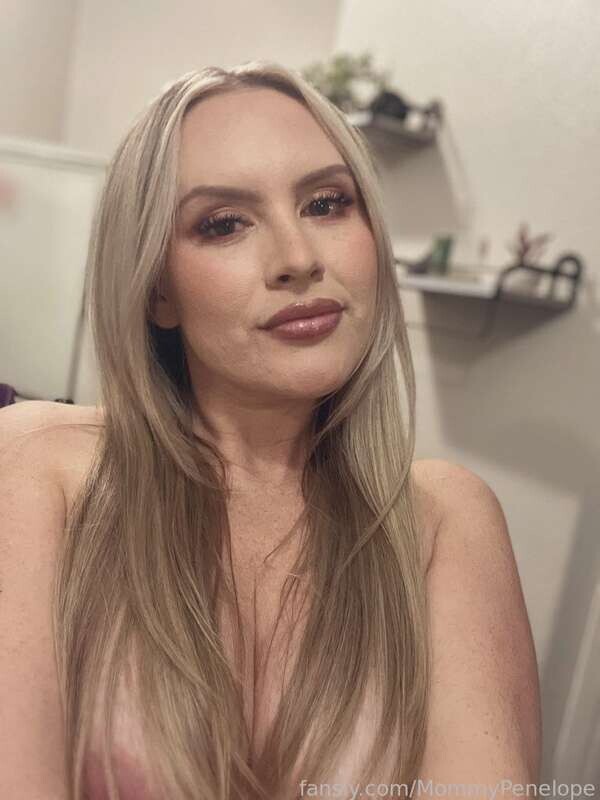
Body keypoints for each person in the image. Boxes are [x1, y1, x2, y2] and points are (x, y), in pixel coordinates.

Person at [0, 60, 541, 800]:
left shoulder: (444, 520)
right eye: (224, 223)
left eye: (326, 203)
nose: (298, 259)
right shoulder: (40, 463)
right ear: (157, 291)